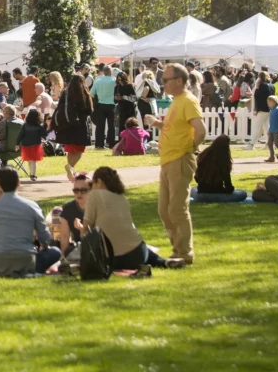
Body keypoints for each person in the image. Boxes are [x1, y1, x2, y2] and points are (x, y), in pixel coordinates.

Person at [153, 63, 205, 264]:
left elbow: (200, 131)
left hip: (179, 160)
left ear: (179, 81)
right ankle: (177, 251)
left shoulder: (188, 101)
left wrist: (188, 149)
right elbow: (174, 127)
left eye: (165, 80)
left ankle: (185, 253)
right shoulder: (176, 101)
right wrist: (157, 123)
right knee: (164, 210)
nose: (162, 83)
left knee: (176, 208)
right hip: (167, 160)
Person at [86, 167, 183, 272]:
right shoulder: (122, 199)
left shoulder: (93, 195)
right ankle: (163, 262)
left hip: (112, 259)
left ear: (99, 182)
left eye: (92, 183)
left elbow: (86, 230)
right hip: (138, 254)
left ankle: (160, 262)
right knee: (140, 246)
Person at [0, 167, 60, 277]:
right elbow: (45, 238)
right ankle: (30, 271)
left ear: (0, 184)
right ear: (18, 183)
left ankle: (3, 270)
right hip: (26, 260)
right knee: (55, 252)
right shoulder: (31, 206)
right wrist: (43, 246)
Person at [54, 73, 93, 181]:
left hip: (66, 124)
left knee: (70, 150)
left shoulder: (65, 92)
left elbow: (60, 107)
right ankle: (70, 167)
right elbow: (89, 109)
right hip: (80, 124)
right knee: (80, 150)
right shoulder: (83, 92)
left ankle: (71, 171)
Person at [190, 135, 247, 202]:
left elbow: (197, 178)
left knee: (193, 189)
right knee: (243, 193)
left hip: (200, 194)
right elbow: (228, 186)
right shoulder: (223, 160)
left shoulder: (204, 155)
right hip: (217, 194)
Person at [56, 173, 90, 258]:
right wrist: (64, 259)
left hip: (96, 247)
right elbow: (64, 236)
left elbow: (100, 238)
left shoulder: (99, 207)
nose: (79, 193)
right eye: (76, 190)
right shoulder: (68, 208)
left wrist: (82, 229)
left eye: (83, 190)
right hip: (78, 246)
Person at [89, 65, 117, 149]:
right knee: (111, 126)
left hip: (101, 105)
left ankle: (99, 144)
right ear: (110, 72)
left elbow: (91, 93)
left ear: (103, 72)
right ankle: (111, 143)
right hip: (111, 105)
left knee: (100, 126)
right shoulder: (114, 81)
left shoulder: (98, 81)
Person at [17, 108, 46, 181]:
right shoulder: (39, 126)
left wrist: (17, 144)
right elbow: (44, 134)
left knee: (30, 160)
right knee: (33, 160)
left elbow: (20, 135)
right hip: (35, 145)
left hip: (26, 145)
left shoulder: (25, 126)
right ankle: (33, 175)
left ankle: (31, 174)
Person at [249, 71, 274, 150]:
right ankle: (269, 144)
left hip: (262, 109)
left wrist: (256, 87)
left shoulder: (262, 86)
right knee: (267, 127)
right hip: (269, 108)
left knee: (257, 126)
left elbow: (257, 96)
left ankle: (252, 144)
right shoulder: (272, 86)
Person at [264, 96, 278, 163]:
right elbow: (271, 121)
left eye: (269, 102)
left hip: (277, 130)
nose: (268, 103)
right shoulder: (271, 110)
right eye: (267, 102)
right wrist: (269, 130)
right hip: (272, 130)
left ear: (274, 102)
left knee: (277, 144)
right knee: (270, 143)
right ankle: (272, 157)